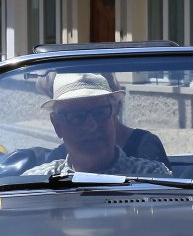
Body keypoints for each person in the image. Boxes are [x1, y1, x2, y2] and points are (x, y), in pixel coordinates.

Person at [23, 73, 171, 177]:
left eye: (100, 113)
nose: (91, 125)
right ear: (57, 125)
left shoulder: (151, 176)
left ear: (114, 116)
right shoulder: (36, 182)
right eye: (76, 116)